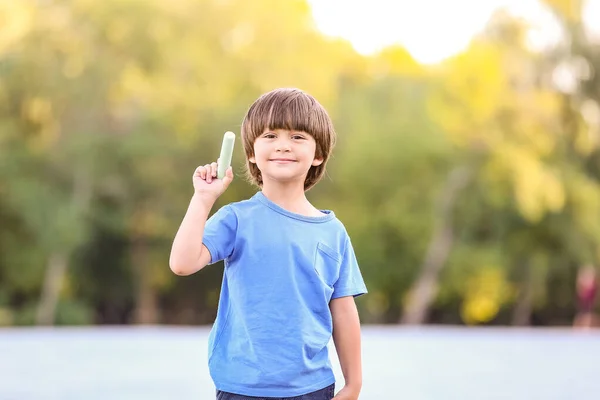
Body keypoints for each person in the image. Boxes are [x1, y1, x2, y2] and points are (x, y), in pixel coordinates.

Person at [169, 88, 368, 400]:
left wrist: (353, 384)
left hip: (313, 388)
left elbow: (343, 310)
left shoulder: (333, 232)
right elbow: (182, 263)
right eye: (270, 136)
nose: (283, 146)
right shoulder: (236, 219)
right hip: (242, 387)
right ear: (251, 152)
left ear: (318, 154)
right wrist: (202, 199)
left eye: (298, 136)